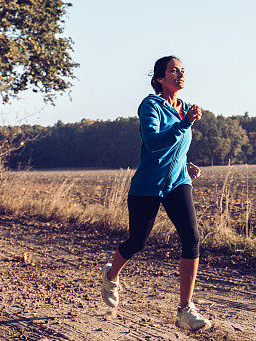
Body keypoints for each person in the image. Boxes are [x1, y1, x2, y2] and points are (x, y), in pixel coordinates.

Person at [100, 55, 211, 332]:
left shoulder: (185, 108)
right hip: (147, 187)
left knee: (192, 238)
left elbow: (176, 145)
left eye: (183, 70)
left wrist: (185, 164)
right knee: (137, 242)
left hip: (177, 183)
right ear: (161, 78)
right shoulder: (151, 105)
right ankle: (111, 275)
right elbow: (153, 142)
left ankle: (185, 309)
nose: (180, 74)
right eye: (174, 70)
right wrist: (184, 124)